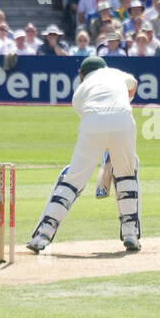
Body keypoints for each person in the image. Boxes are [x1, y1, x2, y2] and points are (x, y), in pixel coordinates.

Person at [27, 56, 141, 254]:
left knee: (73, 180)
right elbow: (134, 84)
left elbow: (94, 118)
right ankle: (131, 235)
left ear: (82, 74)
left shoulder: (80, 92)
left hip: (92, 124)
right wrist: (125, 100)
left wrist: (104, 143)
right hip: (123, 121)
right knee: (126, 174)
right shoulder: (115, 73)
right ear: (103, 67)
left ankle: (42, 236)